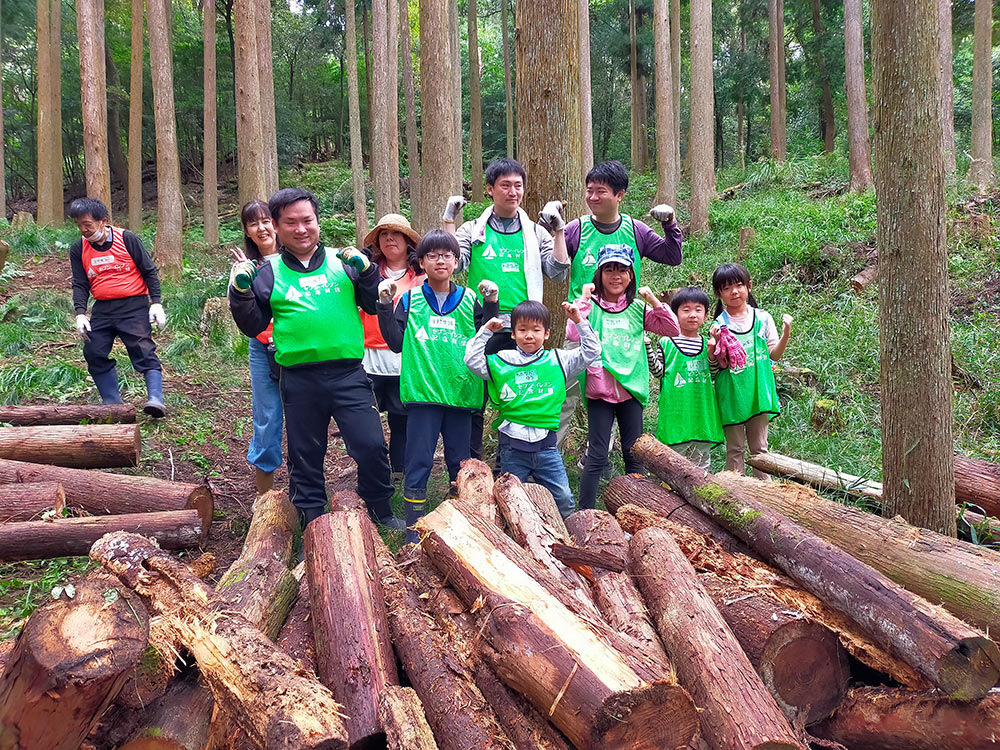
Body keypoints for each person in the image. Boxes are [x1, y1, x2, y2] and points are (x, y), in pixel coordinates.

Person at [228, 187, 403, 531]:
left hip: (349, 373)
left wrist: (368, 272)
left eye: (307, 220)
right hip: (298, 377)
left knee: (370, 444)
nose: (301, 228)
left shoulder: (344, 262)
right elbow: (253, 324)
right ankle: (311, 519)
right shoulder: (268, 271)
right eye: (291, 222)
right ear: (277, 227)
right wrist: (240, 292)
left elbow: (373, 304)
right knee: (305, 454)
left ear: (317, 222)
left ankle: (381, 508)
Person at [441, 157, 571, 459]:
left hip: (524, 327)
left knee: (520, 396)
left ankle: (510, 463)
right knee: (476, 398)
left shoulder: (535, 232)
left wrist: (559, 232)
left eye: (518, 186)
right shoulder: (474, 232)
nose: (513, 192)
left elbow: (558, 271)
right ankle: (469, 465)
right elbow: (451, 262)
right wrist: (449, 222)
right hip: (482, 323)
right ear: (489, 189)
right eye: (505, 185)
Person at [376, 231, 498, 542]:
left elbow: (489, 341)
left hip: (461, 396)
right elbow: (394, 342)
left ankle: (463, 529)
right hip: (423, 396)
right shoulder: (411, 298)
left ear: (457, 261)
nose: (440, 260)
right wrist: (384, 305)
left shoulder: (471, 300)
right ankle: (414, 532)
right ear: (422, 262)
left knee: (461, 466)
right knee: (418, 463)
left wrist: (492, 304)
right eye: (432, 255)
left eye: (447, 255)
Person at [559, 160, 683, 444]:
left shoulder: (635, 230)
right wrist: (550, 228)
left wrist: (670, 224)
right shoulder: (576, 230)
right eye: (589, 191)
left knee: (615, 391)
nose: (592, 197)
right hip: (582, 328)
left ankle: (599, 458)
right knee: (564, 394)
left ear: (620, 195)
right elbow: (549, 261)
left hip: (622, 329)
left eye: (600, 191)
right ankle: (546, 455)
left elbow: (672, 257)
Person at [567, 244, 680, 509]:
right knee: (596, 453)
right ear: (599, 274)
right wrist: (583, 299)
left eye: (621, 269)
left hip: (631, 390)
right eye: (608, 269)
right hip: (600, 389)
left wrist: (653, 300)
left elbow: (672, 328)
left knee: (634, 452)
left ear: (631, 275)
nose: (615, 275)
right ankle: (585, 512)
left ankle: (636, 512)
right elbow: (573, 333)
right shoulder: (591, 306)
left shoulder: (638, 309)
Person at [465, 299, 601, 518]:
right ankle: (513, 542)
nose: (529, 335)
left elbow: (592, 352)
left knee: (564, 499)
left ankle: (569, 539)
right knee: (510, 500)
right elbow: (472, 360)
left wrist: (579, 321)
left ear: (546, 333)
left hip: (547, 447)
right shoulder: (502, 360)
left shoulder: (558, 360)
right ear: (513, 334)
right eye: (523, 330)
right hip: (512, 447)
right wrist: (486, 332)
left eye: (536, 330)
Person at [69, 197, 167, 418]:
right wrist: (80, 313)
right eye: (79, 225)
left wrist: (156, 303)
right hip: (103, 308)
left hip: (134, 305)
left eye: (87, 225)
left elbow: (149, 271)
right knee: (93, 350)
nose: (83, 230)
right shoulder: (78, 249)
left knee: (143, 348)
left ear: (103, 221)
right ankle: (112, 402)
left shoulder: (127, 239)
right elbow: (80, 282)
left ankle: (155, 399)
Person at [711, 262, 792, 479]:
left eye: (738, 285)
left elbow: (774, 354)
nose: (734, 292)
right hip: (732, 395)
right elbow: (718, 363)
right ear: (719, 294)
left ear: (749, 286)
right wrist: (716, 343)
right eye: (726, 288)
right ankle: (736, 499)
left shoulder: (763, 318)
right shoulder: (718, 325)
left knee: (760, 450)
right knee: (735, 450)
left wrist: (786, 333)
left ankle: (765, 495)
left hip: (759, 392)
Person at [360, 213, 425, 479]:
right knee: (367, 421)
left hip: (404, 360)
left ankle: (399, 473)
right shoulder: (366, 274)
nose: (389, 239)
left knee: (402, 420)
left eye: (396, 234)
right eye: (383, 235)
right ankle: (371, 472)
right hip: (367, 358)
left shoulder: (421, 276)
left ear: (408, 241)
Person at [233, 200, 284, 496]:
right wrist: (240, 282)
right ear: (247, 232)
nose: (262, 228)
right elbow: (245, 315)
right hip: (263, 349)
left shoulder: (297, 258)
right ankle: (265, 499)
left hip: (301, 349)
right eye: (254, 224)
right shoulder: (246, 266)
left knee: (305, 419)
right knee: (267, 418)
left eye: (266, 221)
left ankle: (306, 492)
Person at [647, 287, 724, 471]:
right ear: (675, 314)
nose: (692, 315)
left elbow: (713, 373)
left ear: (705, 315)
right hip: (676, 416)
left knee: (701, 470)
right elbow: (658, 372)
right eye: (686, 310)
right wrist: (647, 347)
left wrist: (713, 351)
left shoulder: (707, 344)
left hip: (702, 418)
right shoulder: (666, 342)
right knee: (673, 468)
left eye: (698, 310)